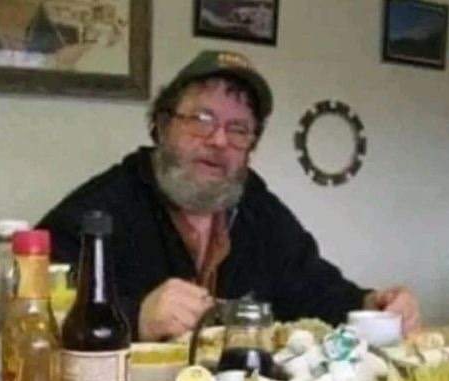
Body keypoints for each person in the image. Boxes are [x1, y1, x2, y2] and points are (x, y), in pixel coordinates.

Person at [37, 49, 421, 342]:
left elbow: (314, 288)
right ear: (162, 123)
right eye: (202, 119)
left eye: (238, 129)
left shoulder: (256, 206)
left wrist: (373, 305)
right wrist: (132, 316)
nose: (219, 140)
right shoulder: (101, 207)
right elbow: (33, 306)